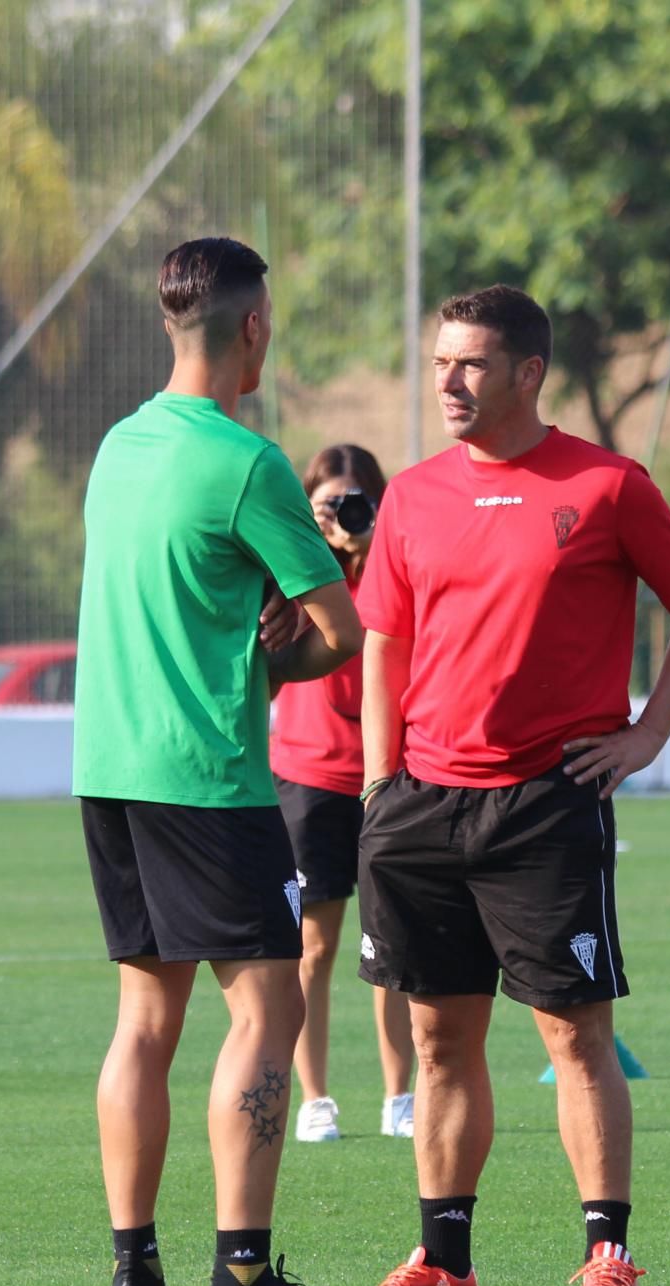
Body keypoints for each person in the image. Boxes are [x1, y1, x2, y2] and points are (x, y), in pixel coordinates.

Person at [352, 284, 670, 1286]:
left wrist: (648, 732)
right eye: (440, 362)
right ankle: (445, 1260)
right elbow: (382, 638)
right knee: (438, 1038)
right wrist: (381, 776)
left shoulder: (607, 485)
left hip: (546, 803)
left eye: (471, 363)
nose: (449, 381)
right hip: (421, 806)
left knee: (574, 1033)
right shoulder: (416, 495)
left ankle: (607, 1251)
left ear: (529, 373)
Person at [72, 236, 365, 1286]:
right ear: (254, 328)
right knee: (269, 1001)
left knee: (145, 1016)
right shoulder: (249, 463)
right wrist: (276, 647)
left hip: (108, 768)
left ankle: (132, 1271)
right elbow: (339, 629)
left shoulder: (115, 447)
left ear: (167, 324)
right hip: (209, 774)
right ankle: (242, 1274)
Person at [269, 445, 416, 1144]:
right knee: (314, 948)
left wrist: (372, 545)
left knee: (390, 946)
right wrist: (320, 556)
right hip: (307, 776)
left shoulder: (396, 564)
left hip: (388, 775)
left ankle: (399, 1095)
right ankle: (316, 1098)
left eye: (356, 501)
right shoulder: (293, 572)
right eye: (328, 504)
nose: (343, 515)